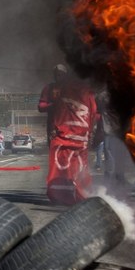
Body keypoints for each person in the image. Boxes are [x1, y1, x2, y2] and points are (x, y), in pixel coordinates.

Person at [38, 64, 99, 205]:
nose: (59, 76)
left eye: (62, 73)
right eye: (56, 73)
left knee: (77, 166)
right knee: (59, 165)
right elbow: (41, 106)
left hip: (78, 135)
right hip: (57, 132)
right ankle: (61, 193)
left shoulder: (80, 91)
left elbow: (93, 111)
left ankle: (78, 192)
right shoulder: (50, 89)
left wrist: (90, 131)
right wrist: (56, 106)